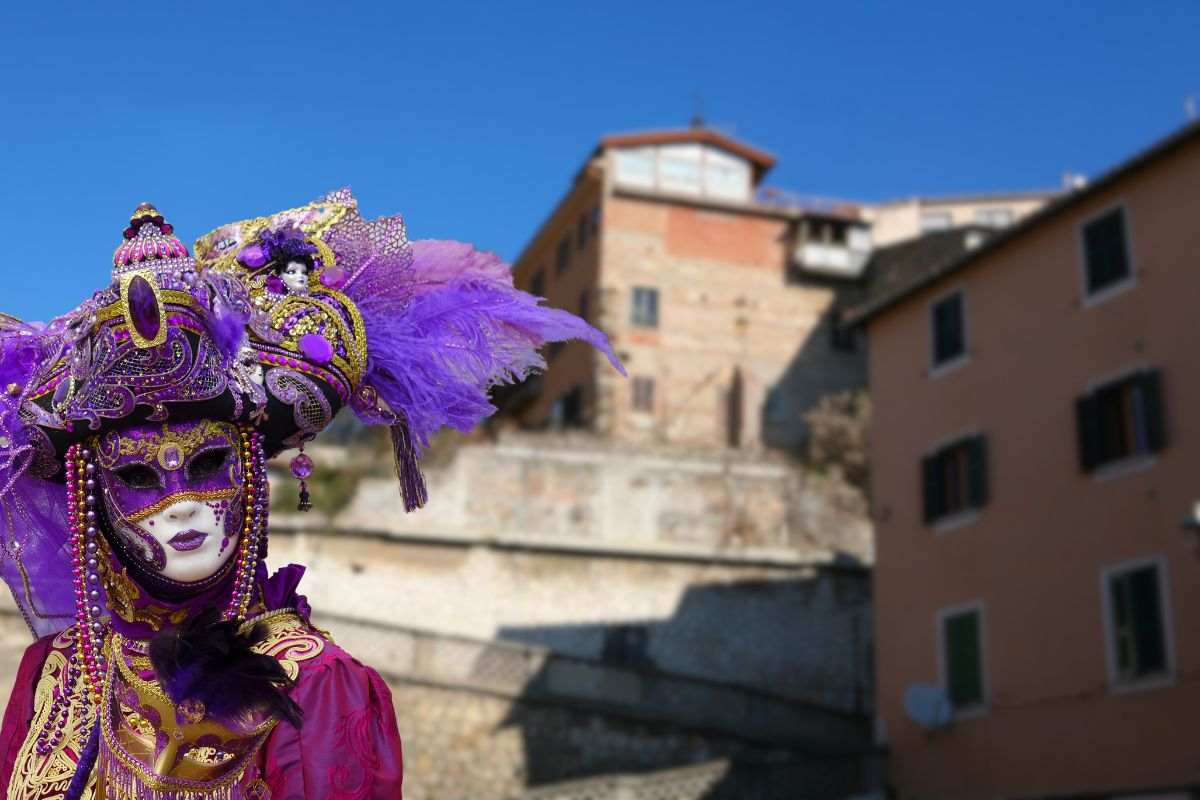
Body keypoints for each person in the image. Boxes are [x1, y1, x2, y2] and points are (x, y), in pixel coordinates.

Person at [0, 191, 624, 798]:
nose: (182, 502)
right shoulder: (53, 675)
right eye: (137, 478)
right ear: (95, 498)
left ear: (250, 474)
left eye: (209, 464)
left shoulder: (317, 685)